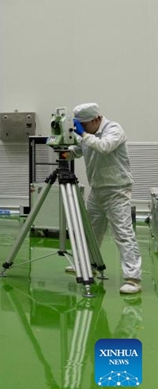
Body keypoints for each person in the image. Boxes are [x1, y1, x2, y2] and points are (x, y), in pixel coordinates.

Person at [69, 103, 142, 294]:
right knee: (92, 231)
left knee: (123, 233)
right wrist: (64, 147)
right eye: (80, 126)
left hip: (117, 189)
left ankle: (133, 279)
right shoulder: (86, 134)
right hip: (97, 189)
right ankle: (89, 265)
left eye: (84, 125)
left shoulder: (114, 129)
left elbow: (104, 146)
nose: (82, 129)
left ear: (96, 119)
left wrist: (83, 135)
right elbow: (78, 149)